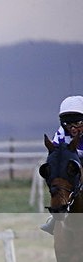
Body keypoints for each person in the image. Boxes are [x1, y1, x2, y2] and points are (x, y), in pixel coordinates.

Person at [41, 95, 83, 234]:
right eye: (68, 124)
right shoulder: (60, 135)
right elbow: (55, 158)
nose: (73, 129)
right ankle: (56, 217)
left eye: (78, 123)